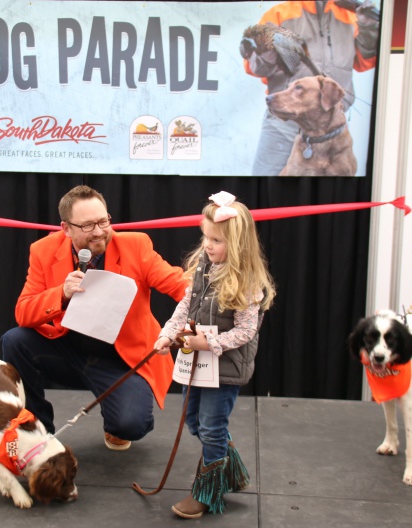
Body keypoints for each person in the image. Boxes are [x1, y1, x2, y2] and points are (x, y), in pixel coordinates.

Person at [1, 185, 188, 451]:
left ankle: (115, 422)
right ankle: (38, 433)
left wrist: (220, 293)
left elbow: (176, 282)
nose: (99, 231)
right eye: (88, 226)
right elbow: (23, 312)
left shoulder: (136, 245)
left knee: (131, 425)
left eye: (103, 221)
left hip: (121, 360)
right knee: (15, 340)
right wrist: (61, 295)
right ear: (66, 229)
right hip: (67, 352)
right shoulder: (43, 250)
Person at [153, 191, 276, 519]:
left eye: (217, 240)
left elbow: (246, 332)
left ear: (237, 244)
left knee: (210, 427)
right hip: (198, 363)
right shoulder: (202, 269)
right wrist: (167, 333)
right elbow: (185, 307)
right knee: (195, 422)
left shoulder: (248, 283)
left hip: (225, 368)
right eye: (206, 236)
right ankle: (227, 463)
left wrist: (212, 343)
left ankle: (207, 493)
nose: (208, 245)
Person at [241, 0, 380, 175]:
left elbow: (364, 62)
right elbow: (251, 66)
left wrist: (368, 28)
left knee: (333, 199)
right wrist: (265, 57)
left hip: (332, 129)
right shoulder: (280, 13)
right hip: (284, 124)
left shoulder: (351, 17)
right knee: (269, 192)